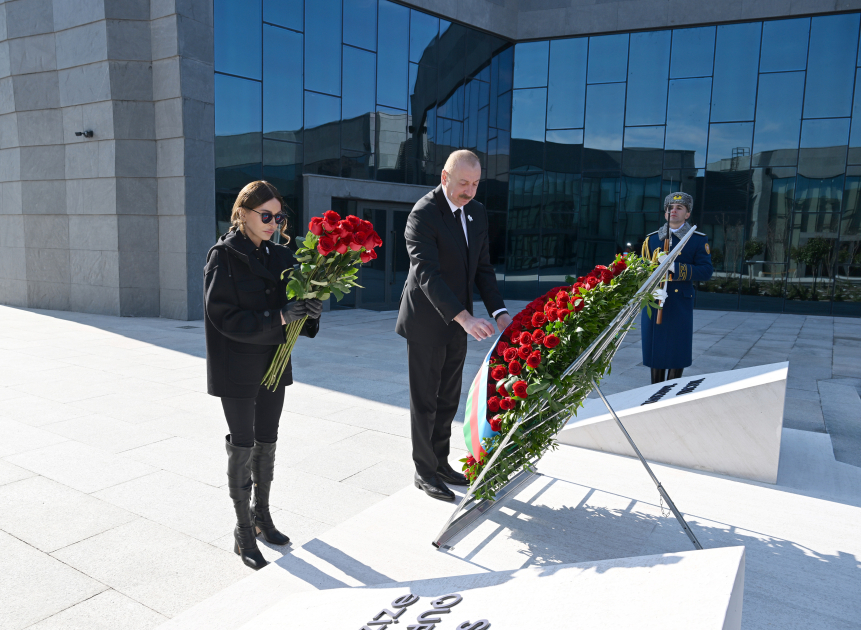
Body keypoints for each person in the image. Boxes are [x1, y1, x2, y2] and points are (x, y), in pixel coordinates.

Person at [204, 180, 323, 570]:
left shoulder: (281, 254)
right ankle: (243, 531)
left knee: (267, 440)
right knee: (242, 444)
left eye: (279, 217)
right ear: (243, 213)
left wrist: (309, 312)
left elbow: (294, 307)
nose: (274, 223)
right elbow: (222, 316)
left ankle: (262, 516)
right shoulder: (223, 256)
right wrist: (278, 316)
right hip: (237, 365)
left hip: (273, 362)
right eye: (266, 216)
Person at [396, 150, 513, 502]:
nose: (470, 191)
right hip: (426, 321)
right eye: (464, 183)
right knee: (425, 401)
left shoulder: (476, 212)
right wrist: (465, 317)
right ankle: (424, 471)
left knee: (447, 398)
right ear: (445, 177)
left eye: (476, 184)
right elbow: (426, 275)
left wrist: (499, 312)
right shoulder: (423, 213)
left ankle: (441, 463)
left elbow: (483, 268)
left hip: (459, 323)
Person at [640, 192, 713, 384]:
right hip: (655, 299)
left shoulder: (696, 239)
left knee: (676, 348)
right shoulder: (651, 239)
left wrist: (675, 267)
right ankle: (655, 389)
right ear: (665, 213)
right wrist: (651, 288)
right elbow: (642, 270)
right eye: (670, 208)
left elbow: (706, 271)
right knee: (655, 347)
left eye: (679, 208)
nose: (673, 211)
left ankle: (671, 389)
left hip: (680, 301)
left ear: (687, 214)